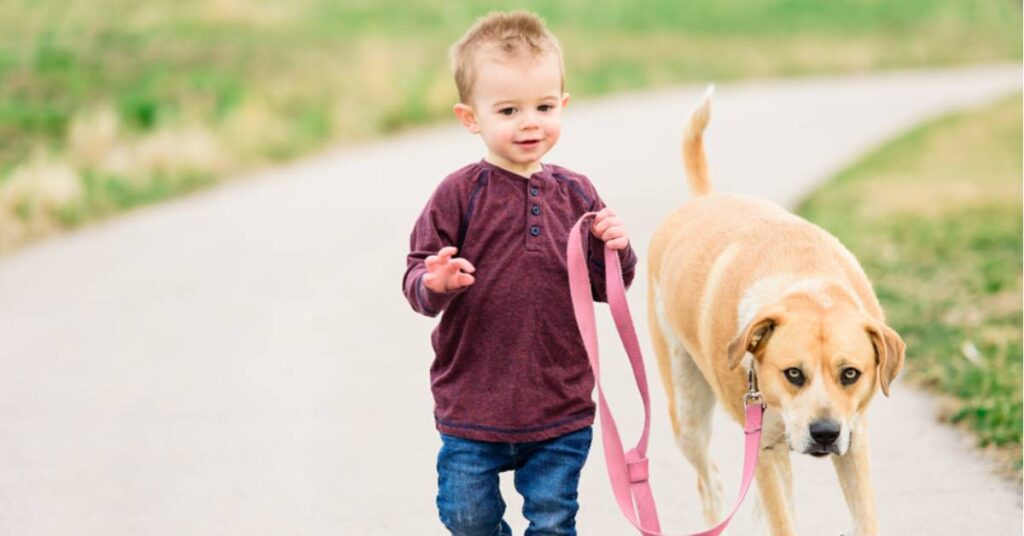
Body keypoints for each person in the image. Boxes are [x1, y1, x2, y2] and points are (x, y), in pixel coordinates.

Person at [401, 10, 637, 535]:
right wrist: (434, 283)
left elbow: (608, 286)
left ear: (563, 105)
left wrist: (615, 249)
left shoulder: (578, 194)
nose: (530, 122)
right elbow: (416, 279)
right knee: (466, 516)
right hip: (472, 401)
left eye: (544, 106)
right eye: (508, 110)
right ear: (471, 118)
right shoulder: (459, 194)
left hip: (560, 403)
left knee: (553, 520)